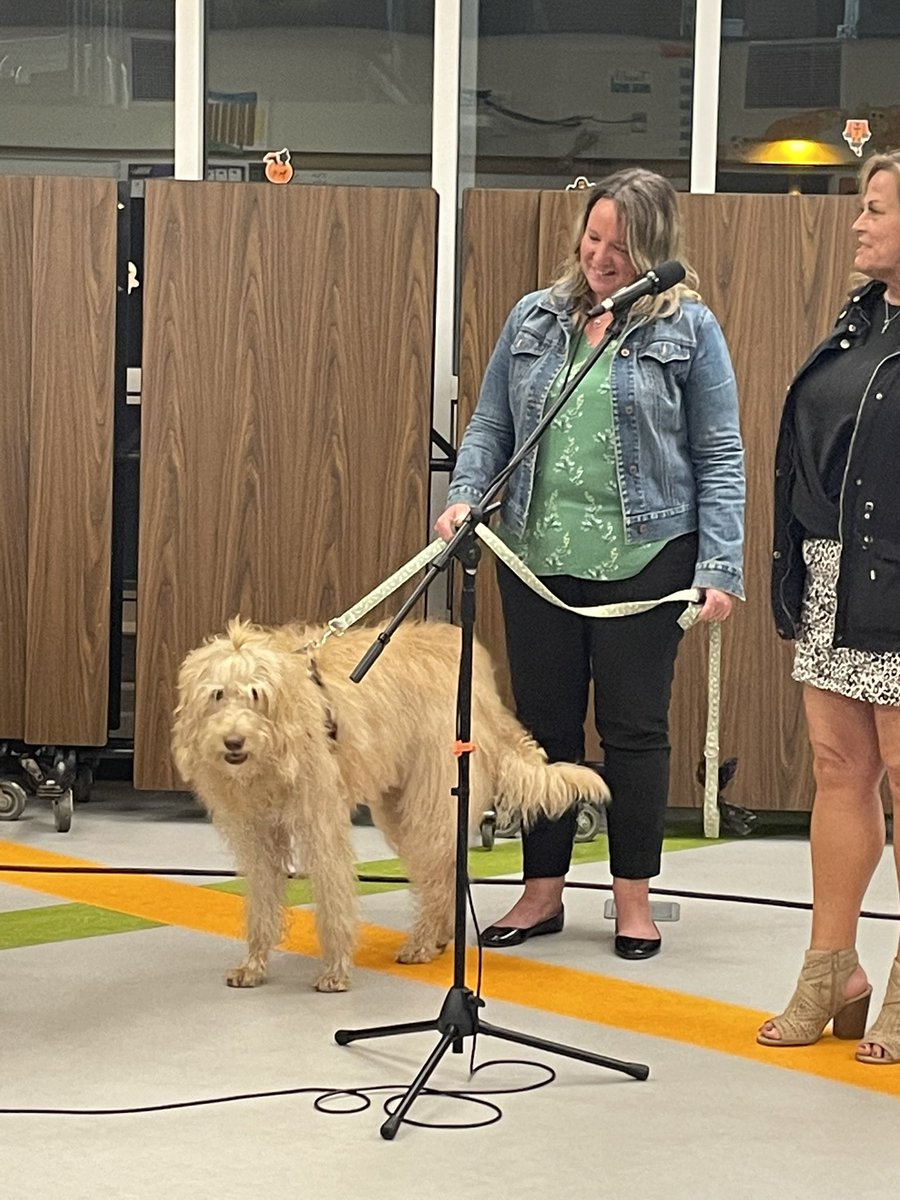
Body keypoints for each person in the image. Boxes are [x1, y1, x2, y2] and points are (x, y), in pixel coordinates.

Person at [435, 168, 745, 960]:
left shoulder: (692, 330)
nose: (602, 257)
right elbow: (491, 423)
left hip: (649, 559)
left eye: (622, 245)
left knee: (633, 732)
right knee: (544, 732)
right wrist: (467, 494)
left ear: (657, 250)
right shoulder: (536, 319)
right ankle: (542, 894)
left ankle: (632, 900)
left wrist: (720, 563)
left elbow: (719, 452)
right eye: (594, 236)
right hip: (538, 558)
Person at [760, 150, 900, 1062]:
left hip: (899, 577)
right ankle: (831, 965)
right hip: (832, 574)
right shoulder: (861, 320)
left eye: (877, 210)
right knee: (837, 768)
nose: (857, 224)